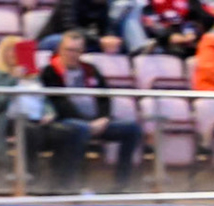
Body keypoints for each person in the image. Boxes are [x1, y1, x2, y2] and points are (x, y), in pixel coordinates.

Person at [41, 32, 142, 188]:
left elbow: (104, 97)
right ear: (60, 49)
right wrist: (88, 123)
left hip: (96, 121)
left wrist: (104, 118)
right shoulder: (50, 71)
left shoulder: (91, 69)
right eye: (69, 49)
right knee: (80, 129)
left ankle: (122, 185)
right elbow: (59, 102)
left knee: (132, 129)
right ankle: (68, 186)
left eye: (77, 50)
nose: (72, 54)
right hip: (66, 121)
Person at [38, 0, 124, 50]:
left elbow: (108, 26)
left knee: (119, 46)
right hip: (54, 38)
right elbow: (70, 27)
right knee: (71, 42)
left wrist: (110, 38)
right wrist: (99, 40)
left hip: (86, 39)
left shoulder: (104, 4)